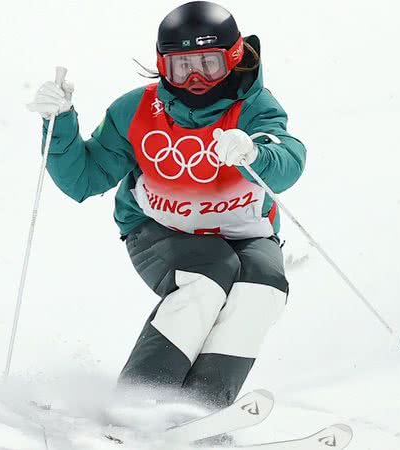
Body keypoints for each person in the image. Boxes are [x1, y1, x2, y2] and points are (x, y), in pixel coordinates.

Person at [28, 1, 306, 410]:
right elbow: (84, 180)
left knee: (263, 286)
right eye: (181, 66)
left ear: (233, 58)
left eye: (208, 64)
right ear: (162, 65)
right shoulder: (137, 109)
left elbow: (288, 158)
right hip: (159, 229)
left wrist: (254, 152)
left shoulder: (254, 108)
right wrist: (61, 122)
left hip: (246, 230)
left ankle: (201, 409)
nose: (195, 78)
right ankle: (140, 402)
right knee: (208, 275)